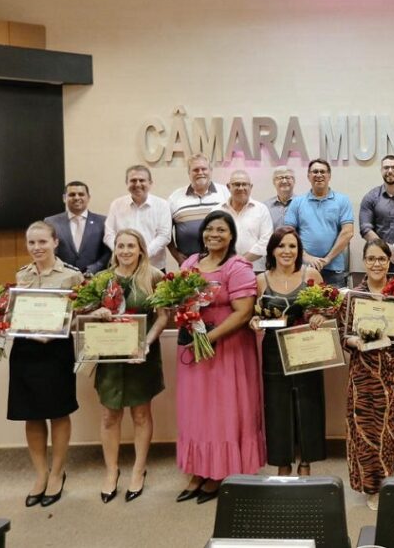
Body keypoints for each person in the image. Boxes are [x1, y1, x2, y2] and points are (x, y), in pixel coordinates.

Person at [175, 211, 264, 504]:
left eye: (221, 230)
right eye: (210, 229)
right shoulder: (189, 263)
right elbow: (179, 298)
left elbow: (243, 312)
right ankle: (198, 471)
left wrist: (207, 339)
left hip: (228, 349)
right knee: (196, 411)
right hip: (195, 349)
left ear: (231, 236)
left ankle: (219, 473)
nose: (214, 234)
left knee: (222, 411)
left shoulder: (237, 267)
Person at [342, 239, 394, 510]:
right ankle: (374, 488)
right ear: (364, 262)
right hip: (366, 375)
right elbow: (344, 335)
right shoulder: (353, 296)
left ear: (389, 261)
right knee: (369, 430)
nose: (377, 264)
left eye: (382, 258)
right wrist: (353, 342)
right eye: (371, 259)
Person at [90, 229, 168, 503]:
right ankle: (111, 472)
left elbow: (162, 317)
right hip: (110, 359)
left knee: (141, 415)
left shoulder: (154, 277)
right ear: (115, 250)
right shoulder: (101, 280)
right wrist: (95, 314)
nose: (125, 251)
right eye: (120, 246)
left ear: (141, 250)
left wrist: (147, 342)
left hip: (141, 356)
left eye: (130, 246)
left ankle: (138, 469)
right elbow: (84, 315)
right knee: (110, 416)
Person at [10, 221, 83, 507]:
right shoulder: (21, 274)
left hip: (56, 352)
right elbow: (17, 311)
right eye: (31, 243)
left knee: (58, 411)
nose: (36, 248)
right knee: (31, 413)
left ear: (55, 242)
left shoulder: (72, 276)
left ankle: (57, 473)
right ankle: (40, 474)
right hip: (25, 351)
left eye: (42, 242)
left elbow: (79, 315)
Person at [251, 226, 327, 476]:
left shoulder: (311, 275)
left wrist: (318, 316)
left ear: (299, 250)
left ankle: (306, 462)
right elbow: (255, 314)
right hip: (273, 349)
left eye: (292, 246)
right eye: (281, 245)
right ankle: (283, 462)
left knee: (309, 404)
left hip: (306, 348)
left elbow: (326, 309)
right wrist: (254, 322)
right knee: (277, 407)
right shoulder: (261, 280)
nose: (287, 251)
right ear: (272, 249)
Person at [284, 159, 354, 288]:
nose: (319, 175)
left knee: (335, 307)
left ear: (329, 176)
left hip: (334, 269)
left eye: (323, 171)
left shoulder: (342, 200)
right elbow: (288, 233)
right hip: (304, 267)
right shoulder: (297, 202)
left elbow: (348, 232)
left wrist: (328, 258)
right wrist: (306, 256)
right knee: (304, 307)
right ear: (308, 176)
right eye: (315, 171)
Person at [104, 165, 172, 271]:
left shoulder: (162, 205)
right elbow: (109, 234)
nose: (138, 184)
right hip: (123, 268)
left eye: (142, 180)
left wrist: (142, 255)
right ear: (127, 183)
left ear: (150, 183)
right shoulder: (116, 205)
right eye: (133, 180)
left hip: (153, 268)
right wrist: (122, 253)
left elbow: (164, 236)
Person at [167, 153, 229, 265]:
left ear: (210, 170)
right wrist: (175, 254)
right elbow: (165, 230)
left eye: (204, 169)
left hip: (222, 262)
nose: (200, 172)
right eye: (195, 170)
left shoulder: (226, 193)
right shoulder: (175, 197)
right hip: (189, 264)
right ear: (189, 173)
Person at [45, 180, 111, 274]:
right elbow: (48, 250)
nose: (76, 198)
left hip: (94, 277)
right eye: (72, 194)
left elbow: (108, 251)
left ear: (88, 198)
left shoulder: (103, 221)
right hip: (61, 276)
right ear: (64, 198)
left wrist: (94, 268)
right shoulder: (51, 222)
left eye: (81, 194)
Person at [220, 169, 274, 273]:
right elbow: (212, 239)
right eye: (236, 184)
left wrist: (239, 262)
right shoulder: (218, 210)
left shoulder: (261, 209)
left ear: (251, 187)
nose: (241, 188)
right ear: (228, 186)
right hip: (224, 269)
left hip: (255, 270)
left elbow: (266, 241)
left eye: (245, 184)